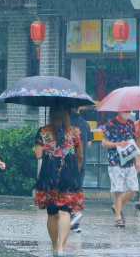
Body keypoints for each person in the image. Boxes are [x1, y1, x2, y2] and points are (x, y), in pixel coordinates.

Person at [33, 105, 84, 256]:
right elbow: (80, 156)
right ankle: (61, 247)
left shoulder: (43, 131)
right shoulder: (75, 132)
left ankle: (55, 245)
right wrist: (76, 170)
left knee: (52, 214)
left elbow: (38, 155)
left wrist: (41, 144)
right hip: (69, 176)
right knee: (66, 213)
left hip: (49, 177)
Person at [102, 110, 138, 227]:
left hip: (129, 160)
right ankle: (118, 217)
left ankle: (116, 206)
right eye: (124, 110)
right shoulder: (110, 124)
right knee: (118, 189)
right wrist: (117, 144)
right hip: (115, 161)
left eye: (129, 110)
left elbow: (133, 143)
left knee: (133, 188)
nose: (127, 113)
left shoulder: (131, 124)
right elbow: (104, 143)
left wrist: (137, 160)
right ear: (119, 110)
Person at [69, 107, 91, 233]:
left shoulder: (65, 122)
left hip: (68, 162)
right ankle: (76, 221)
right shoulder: (84, 123)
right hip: (81, 162)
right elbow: (88, 143)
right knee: (77, 190)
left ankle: (71, 218)